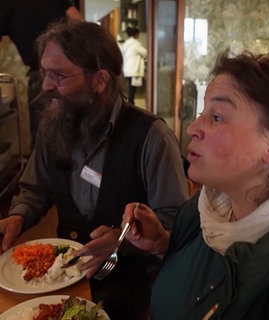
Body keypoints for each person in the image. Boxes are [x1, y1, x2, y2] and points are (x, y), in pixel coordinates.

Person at [0, 20, 189, 320]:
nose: (47, 86)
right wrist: (17, 216)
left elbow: (177, 220)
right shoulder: (53, 126)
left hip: (135, 292)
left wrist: (123, 238)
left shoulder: (151, 136)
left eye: (58, 76)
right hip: (64, 282)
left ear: (100, 80)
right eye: (45, 74)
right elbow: (35, 189)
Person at [121, 50, 269, 319]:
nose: (192, 128)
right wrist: (162, 244)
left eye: (217, 117)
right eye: (203, 112)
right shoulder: (204, 207)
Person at [0, 0, 83, 148]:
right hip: (69, 72)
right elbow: (79, 21)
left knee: (42, 136)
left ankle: (43, 168)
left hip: (40, 75)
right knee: (72, 130)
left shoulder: (7, 4)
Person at [121, 26, 147, 104]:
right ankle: (130, 104)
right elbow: (146, 53)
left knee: (130, 88)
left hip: (127, 70)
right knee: (132, 89)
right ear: (136, 34)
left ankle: (130, 103)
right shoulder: (135, 44)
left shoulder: (126, 44)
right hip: (134, 70)